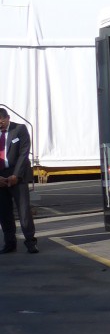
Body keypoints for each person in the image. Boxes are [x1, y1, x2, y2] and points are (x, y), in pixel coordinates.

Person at [0, 107, 37, 254]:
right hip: (1, 177)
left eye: (2, 121)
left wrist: (16, 175)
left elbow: (24, 153)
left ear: (8, 118)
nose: (0, 125)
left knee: (24, 210)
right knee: (4, 212)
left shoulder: (20, 129)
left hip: (18, 176)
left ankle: (30, 242)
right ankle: (10, 243)